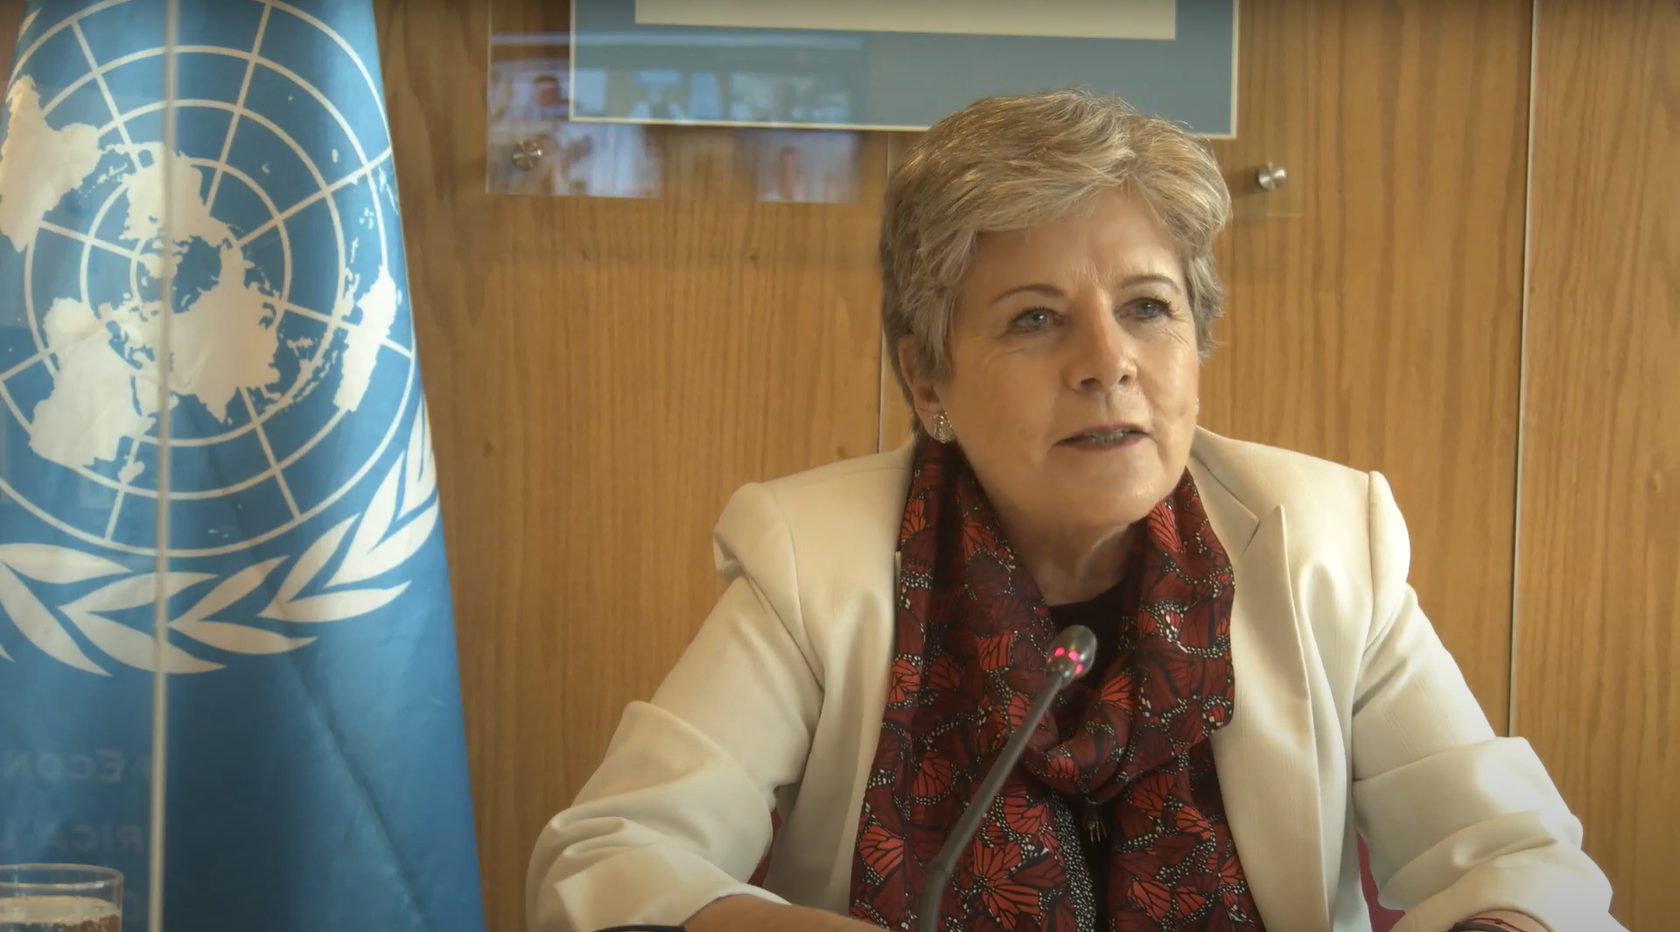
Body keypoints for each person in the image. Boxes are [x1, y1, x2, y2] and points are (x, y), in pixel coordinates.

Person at [526, 89, 1622, 932]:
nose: (1108, 362)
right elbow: (607, 860)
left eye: (1147, 307)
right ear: (927, 378)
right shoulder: (817, 563)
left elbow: (1519, 858)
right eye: (1036, 318)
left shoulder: (1323, 542)